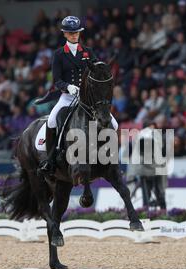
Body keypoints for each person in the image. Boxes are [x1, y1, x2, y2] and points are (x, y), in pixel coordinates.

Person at [35, 16, 119, 175]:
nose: (74, 35)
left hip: (88, 99)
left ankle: (111, 161)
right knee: (52, 120)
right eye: (70, 33)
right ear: (65, 34)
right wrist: (68, 87)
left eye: (76, 32)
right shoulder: (59, 54)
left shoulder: (88, 52)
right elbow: (56, 80)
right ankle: (51, 159)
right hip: (67, 97)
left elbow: (97, 72)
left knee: (113, 124)